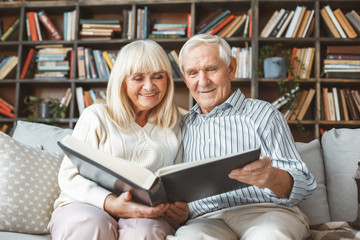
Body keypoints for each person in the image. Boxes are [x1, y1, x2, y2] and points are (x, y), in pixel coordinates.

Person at [167, 34, 317, 240]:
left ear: (231, 68)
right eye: (193, 73)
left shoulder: (264, 114)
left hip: (267, 212)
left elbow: (304, 184)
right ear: (185, 79)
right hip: (206, 220)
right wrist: (179, 211)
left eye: (211, 69)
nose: (203, 81)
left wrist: (272, 177)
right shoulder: (180, 127)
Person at [48, 40, 189, 240]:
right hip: (86, 206)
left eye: (158, 77)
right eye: (138, 78)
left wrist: (181, 212)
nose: (149, 86)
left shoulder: (175, 125)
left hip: (145, 213)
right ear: (122, 81)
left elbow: (178, 186)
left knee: (145, 231)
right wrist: (111, 203)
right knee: (89, 225)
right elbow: (69, 176)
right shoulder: (95, 116)